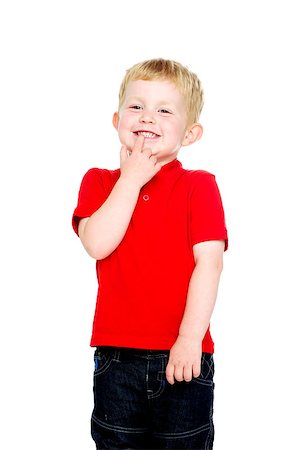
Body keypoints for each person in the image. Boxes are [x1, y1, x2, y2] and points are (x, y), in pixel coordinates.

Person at [72, 58, 228, 450]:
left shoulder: (199, 186)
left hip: (184, 354)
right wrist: (132, 179)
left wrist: (190, 338)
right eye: (136, 106)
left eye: (164, 110)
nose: (148, 117)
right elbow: (97, 243)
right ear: (117, 119)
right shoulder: (100, 181)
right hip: (116, 359)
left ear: (190, 134)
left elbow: (209, 264)